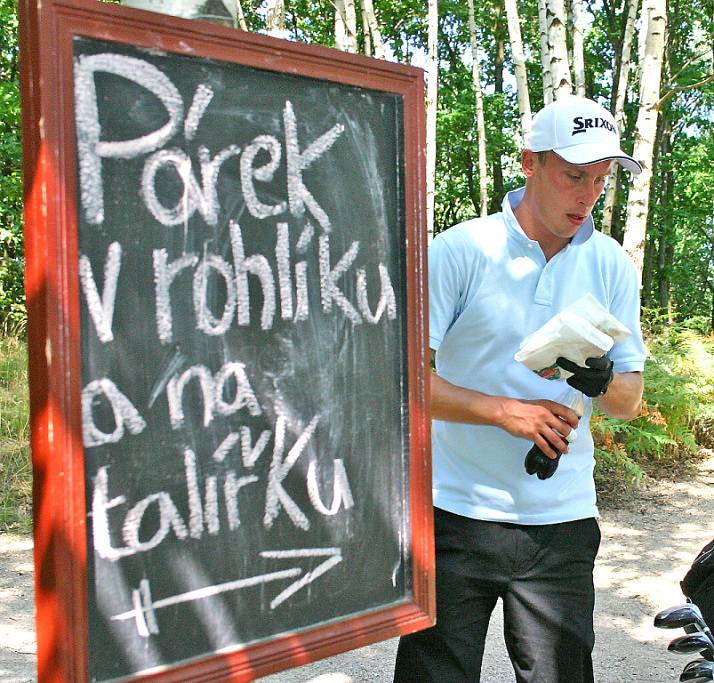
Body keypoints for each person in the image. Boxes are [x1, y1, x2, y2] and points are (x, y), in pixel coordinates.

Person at [393, 95, 648, 682]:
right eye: (574, 176)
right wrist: (506, 412)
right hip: (453, 513)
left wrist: (602, 380)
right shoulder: (460, 251)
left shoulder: (610, 263)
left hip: (561, 526)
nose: (588, 196)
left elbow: (630, 401)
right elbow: (403, 381)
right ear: (530, 163)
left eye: (601, 180)